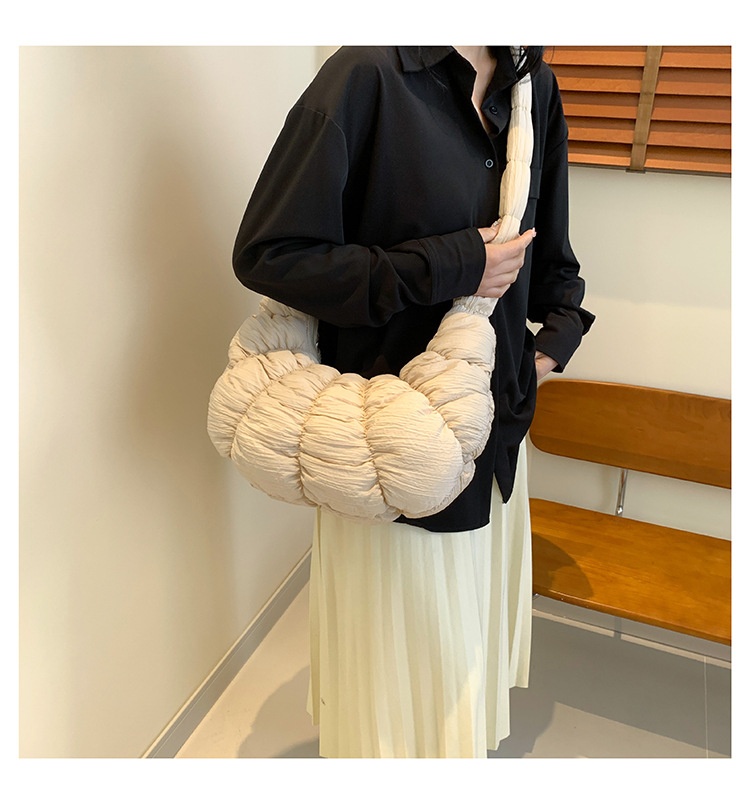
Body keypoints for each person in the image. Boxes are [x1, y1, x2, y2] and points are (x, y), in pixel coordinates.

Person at [232, 45, 594, 758]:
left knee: (461, 653)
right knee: (396, 674)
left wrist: (555, 339)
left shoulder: (532, 86)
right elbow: (271, 255)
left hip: (493, 429)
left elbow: (549, 248)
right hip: (388, 445)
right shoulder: (366, 76)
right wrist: (456, 263)